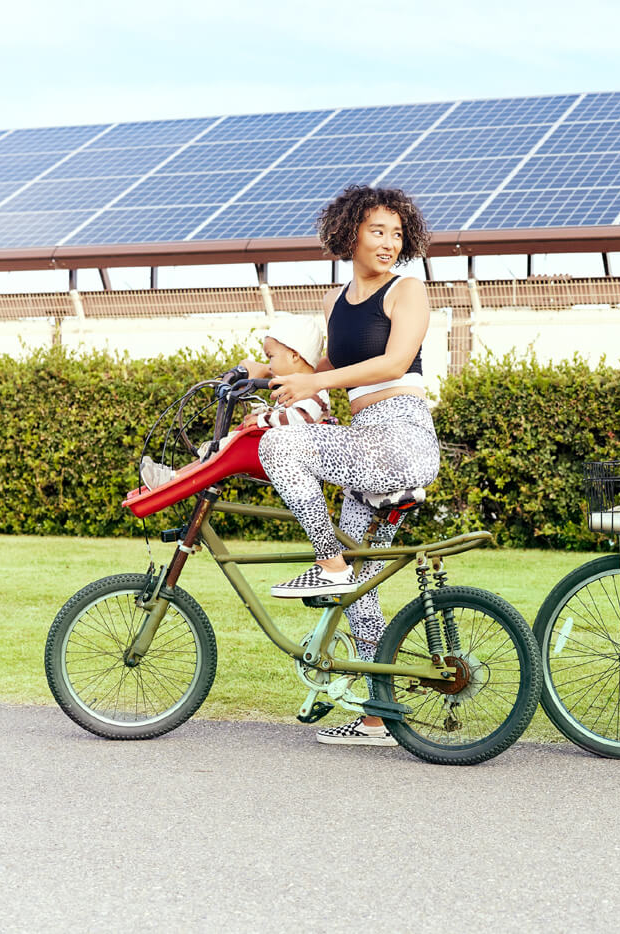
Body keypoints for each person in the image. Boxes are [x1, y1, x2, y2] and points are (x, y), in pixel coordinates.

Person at [257, 184, 440, 747]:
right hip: (365, 443)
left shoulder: (407, 291)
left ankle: (328, 563)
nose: (388, 243)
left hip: (401, 439)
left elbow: (394, 360)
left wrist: (314, 381)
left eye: (396, 234)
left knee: (278, 447)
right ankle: (378, 717)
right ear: (350, 233)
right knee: (362, 589)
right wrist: (259, 372)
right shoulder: (341, 303)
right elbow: (323, 362)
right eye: (377, 231)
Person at [139, 316, 328, 490]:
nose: (268, 365)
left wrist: (262, 419)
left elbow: (299, 420)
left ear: (294, 355)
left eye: (271, 356)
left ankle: (173, 479)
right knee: (222, 448)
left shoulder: (314, 389)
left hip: (291, 458)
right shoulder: (295, 387)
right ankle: (173, 476)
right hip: (281, 453)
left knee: (225, 450)